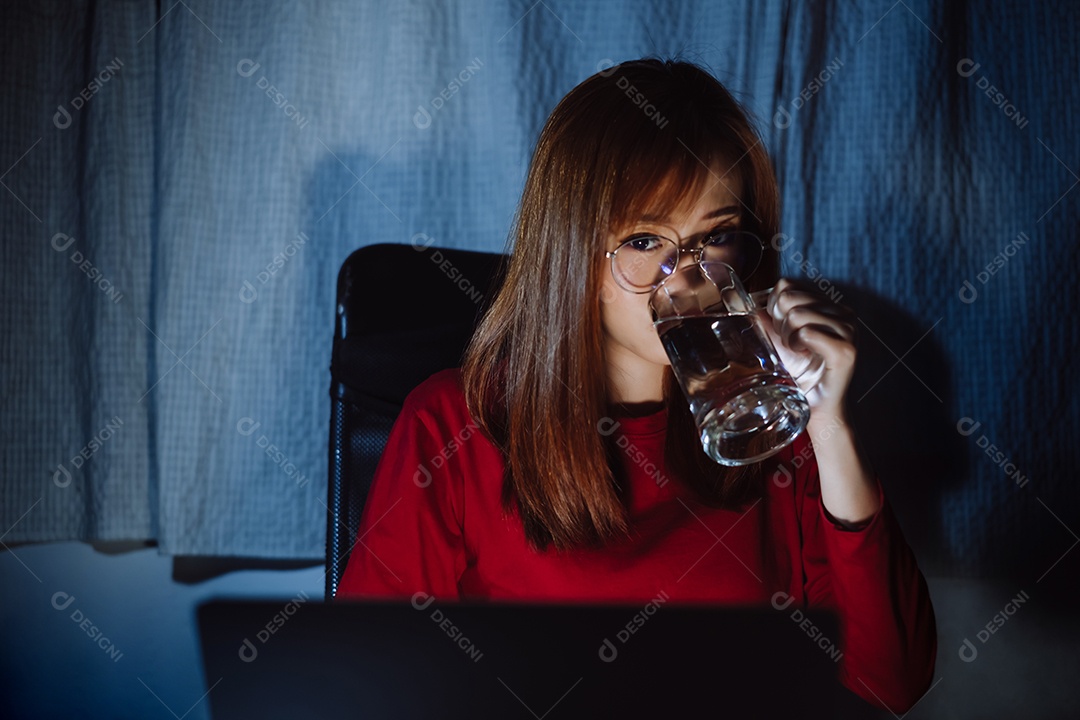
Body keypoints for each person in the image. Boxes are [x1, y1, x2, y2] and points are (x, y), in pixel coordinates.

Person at [337, 58, 937, 712]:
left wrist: (828, 426)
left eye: (717, 236)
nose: (687, 278)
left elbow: (891, 681)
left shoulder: (773, 426)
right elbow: (371, 687)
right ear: (573, 255)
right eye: (646, 239)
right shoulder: (453, 423)